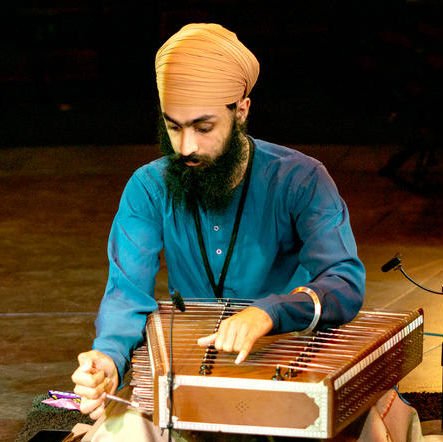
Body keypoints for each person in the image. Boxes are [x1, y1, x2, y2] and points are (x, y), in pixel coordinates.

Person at [71, 23, 366, 420]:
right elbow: (127, 293)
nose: (186, 147)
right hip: (192, 368)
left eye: (203, 127)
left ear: (241, 110)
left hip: (282, 359)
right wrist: (108, 358)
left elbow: (344, 281)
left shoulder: (301, 179)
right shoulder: (148, 187)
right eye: (173, 127)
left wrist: (270, 312)